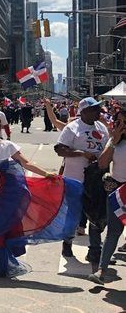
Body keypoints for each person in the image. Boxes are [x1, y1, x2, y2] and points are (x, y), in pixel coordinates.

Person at [0, 114, 57, 277]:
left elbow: (26, 163)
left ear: (1, 127)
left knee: (0, 228)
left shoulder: (8, 146)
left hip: (4, 195)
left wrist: (46, 173)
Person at [55, 97, 109, 263]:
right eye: (94, 109)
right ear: (84, 111)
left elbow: (108, 149)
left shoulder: (102, 128)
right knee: (74, 214)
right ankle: (67, 243)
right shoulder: (72, 128)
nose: (98, 112)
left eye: (99, 109)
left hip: (96, 180)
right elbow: (59, 149)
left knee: (96, 215)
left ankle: (94, 250)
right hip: (74, 179)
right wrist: (82, 154)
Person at [89, 109, 126, 284]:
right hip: (118, 193)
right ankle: (101, 271)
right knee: (113, 232)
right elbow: (103, 163)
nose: (122, 126)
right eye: (119, 122)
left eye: (125, 122)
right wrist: (113, 141)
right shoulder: (114, 142)